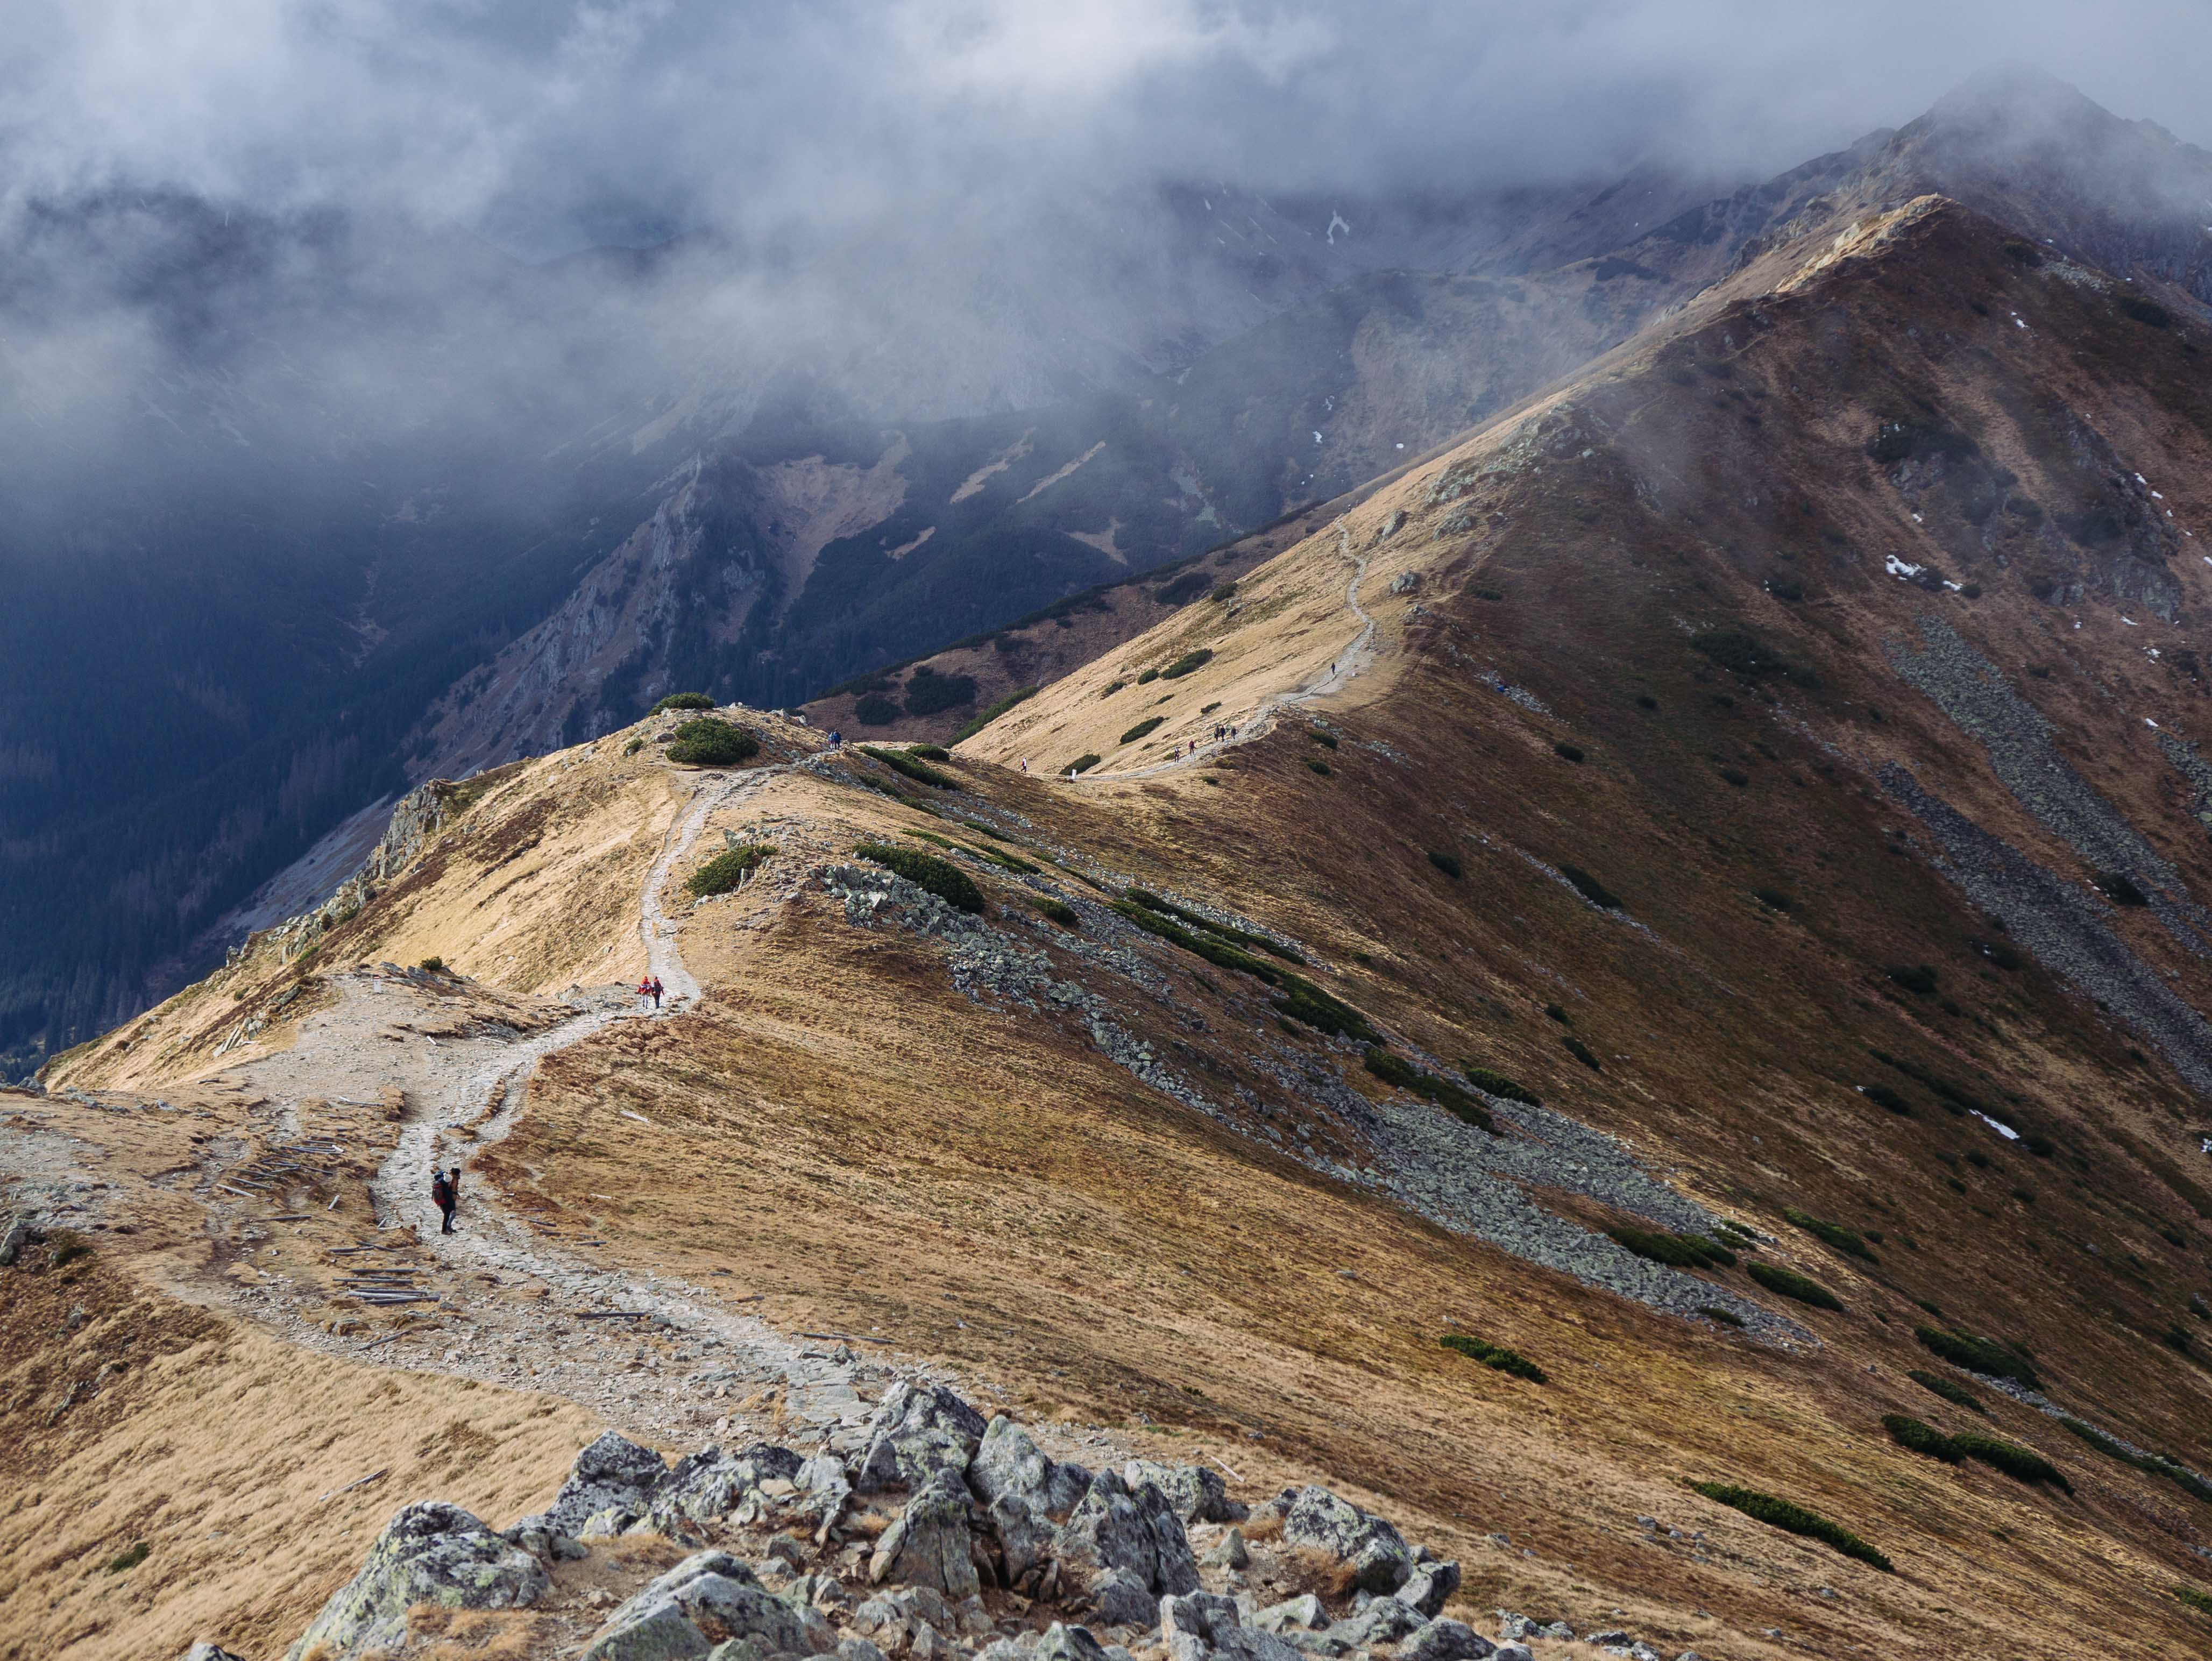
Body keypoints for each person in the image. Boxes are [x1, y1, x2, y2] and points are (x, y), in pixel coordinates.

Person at [433, 1167, 458, 1234]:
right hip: (444, 1203)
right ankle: (444, 1231)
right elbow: (448, 1198)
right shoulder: (445, 1187)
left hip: (442, 1202)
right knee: (446, 1216)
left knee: (447, 1216)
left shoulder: (441, 1182)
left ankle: (446, 1229)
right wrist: (452, 1207)